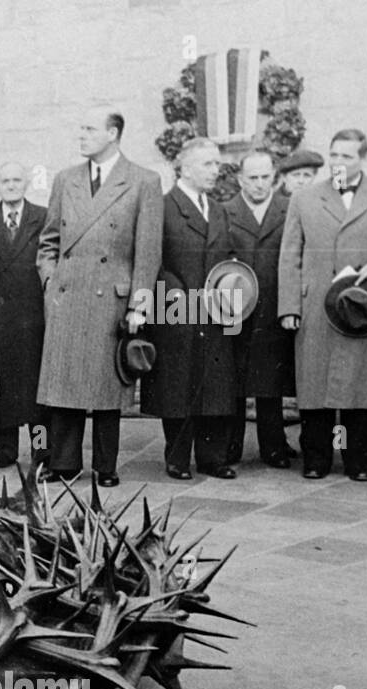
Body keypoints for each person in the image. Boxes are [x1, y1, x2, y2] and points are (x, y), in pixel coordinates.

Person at [37, 107, 162, 487]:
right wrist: (49, 281)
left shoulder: (143, 181)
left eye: (89, 129)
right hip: (67, 296)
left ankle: (106, 466)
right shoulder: (65, 180)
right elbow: (49, 243)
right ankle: (64, 463)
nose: (82, 135)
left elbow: (149, 250)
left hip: (112, 298)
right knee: (65, 383)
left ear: (113, 133)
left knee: (109, 386)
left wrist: (140, 302)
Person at [279, 128, 367, 481]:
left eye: (347, 156)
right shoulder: (306, 198)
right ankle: (317, 459)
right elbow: (289, 255)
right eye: (335, 155)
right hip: (316, 307)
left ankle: (358, 462)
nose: (339, 162)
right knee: (315, 388)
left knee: (361, 386)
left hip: (364, 306)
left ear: (363, 158)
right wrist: (289, 307)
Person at [141, 138, 238, 479]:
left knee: (214, 385)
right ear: (184, 168)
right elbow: (152, 259)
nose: (216, 170)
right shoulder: (163, 207)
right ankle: (177, 459)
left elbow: (228, 258)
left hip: (214, 312)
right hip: (177, 312)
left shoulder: (219, 209)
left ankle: (212, 458)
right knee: (178, 386)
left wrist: (229, 288)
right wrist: (175, 294)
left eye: (216, 164)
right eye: (208, 164)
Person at [224, 150, 296, 468]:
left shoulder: (288, 210)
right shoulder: (225, 212)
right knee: (235, 382)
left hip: (273, 307)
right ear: (240, 179)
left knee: (271, 383)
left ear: (274, 176)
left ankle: (274, 447)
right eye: (252, 178)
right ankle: (231, 446)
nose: (259, 184)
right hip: (237, 311)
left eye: (266, 177)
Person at [0, 161, 50, 469]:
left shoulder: (42, 217)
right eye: (5, 180)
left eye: (17, 180)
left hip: (34, 317)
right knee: (4, 388)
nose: (11, 185)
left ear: (26, 184)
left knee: (37, 391)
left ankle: (41, 450)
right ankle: (4, 451)